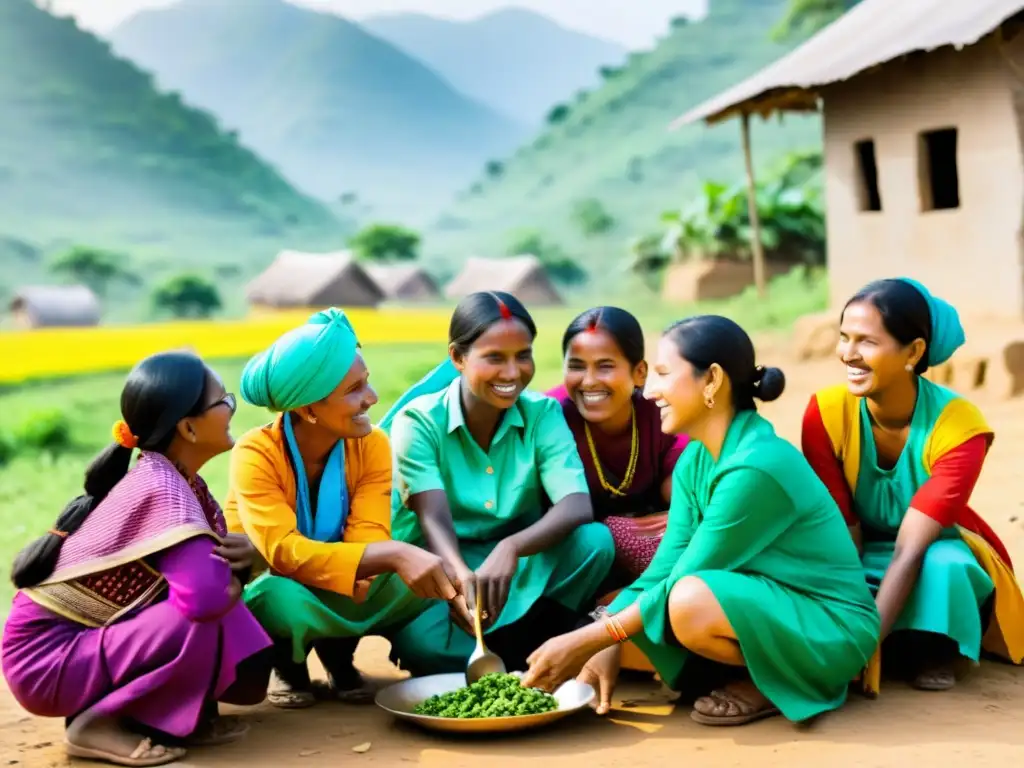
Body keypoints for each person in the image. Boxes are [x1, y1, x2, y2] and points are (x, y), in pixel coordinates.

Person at [520, 315, 880, 727]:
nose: (650, 389)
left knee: (686, 602)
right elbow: (662, 569)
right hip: (765, 607)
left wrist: (589, 638)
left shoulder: (756, 466)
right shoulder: (696, 458)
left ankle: (786, 682)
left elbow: (685, 578)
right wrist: (601, 635)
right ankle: (742, 672)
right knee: (626, 636)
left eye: (663, 373)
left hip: (831, 625)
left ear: (711, 380)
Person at [1, 352, 272, 768]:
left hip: (80, 649)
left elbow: (215, 564)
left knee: (218, 607)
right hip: (46, 662)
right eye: (224, 401)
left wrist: (243, 564)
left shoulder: (178, 479)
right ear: (188, 427)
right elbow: (204, 598)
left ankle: (180, 718)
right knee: (197, 615)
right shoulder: (163, 488)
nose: (232, 409)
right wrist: (235, 579)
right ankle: (95, 724)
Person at [223, 308, 457, 709]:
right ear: (308, 409)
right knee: (278, 597)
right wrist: (387, 555)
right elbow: (283, 552)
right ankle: (289, 665)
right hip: (278, 577)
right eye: (354, 389)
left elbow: (368, 535)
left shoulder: (372, 444)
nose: (372, 398)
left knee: (410, 572)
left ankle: (338, 655)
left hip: (336, 573)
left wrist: (383, 558)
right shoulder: (255, 453)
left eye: (366, 383)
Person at [801, 277, 1024, 693]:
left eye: (866, 341)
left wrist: (863, 646)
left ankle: (936, 647)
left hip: (930, 547)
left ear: (914, 352)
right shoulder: (825, 412)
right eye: (844, 337)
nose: (848, 354)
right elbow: (842, 530)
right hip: (855, 548)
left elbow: (910, 548)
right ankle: (891, 640)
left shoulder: (960, 426)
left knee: (947, 567)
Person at [378, 291, 616, 676]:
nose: (512, 373)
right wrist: (458, 578)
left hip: (523, 564)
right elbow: (432, 517)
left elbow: (575, 505)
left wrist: (512, 547)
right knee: (422, 646)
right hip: (446, 562)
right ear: (458, 357)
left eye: (523, 355)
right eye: (495, 358)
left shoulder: (542, 413)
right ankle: (535, 649)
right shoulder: (419, 421)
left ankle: (518, 648)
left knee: (594, 543)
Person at [547, 306, 690, 585]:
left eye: (605, 366)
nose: (588, 382)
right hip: (572, 559)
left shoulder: (661, 412)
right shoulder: (548, 415)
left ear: (639, 373)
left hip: (650, 556)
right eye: (576, 366)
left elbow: (688, 496)